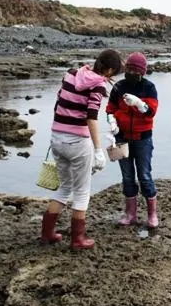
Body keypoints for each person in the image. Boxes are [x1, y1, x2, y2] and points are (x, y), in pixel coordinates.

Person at [39, 49, 123, 249]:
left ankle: (47, 234)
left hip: (57, 138)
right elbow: (91, 117)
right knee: (82, 191)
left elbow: (59, 101)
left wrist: (59, 129)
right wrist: (98, 150)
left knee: (65, 187)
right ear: (109, 69)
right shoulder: (98, 85)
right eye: (114, 72)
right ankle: (78, 239)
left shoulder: (71, 73)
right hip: (77, 142)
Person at [106, 52, 160, 228]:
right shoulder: (118, 87)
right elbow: (110, 109)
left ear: (142, 72)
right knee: (128, 176)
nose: (130, 73)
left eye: (134, 70)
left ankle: (152, 215)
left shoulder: (149, 88)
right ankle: (131, 214)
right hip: (122, 137)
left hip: (143, 139)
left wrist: (138, 103)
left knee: (144, 175)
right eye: (128, 69)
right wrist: (112, 121)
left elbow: (151, 112)